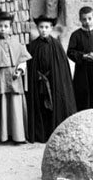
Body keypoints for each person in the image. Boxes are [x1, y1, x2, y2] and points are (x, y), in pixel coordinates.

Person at [0, 11, 31, 144]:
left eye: (5, 26)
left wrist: (20, 70)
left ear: (10, 27)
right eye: (0, 26)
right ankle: (0, 135)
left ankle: (17, 135)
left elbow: (23, 60)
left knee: (15, 105)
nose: (3, 29)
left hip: (15, 78)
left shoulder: (17, 42)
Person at [26, 15, 76, 143]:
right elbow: (30, 66)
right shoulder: (32, 46)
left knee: (53, 105)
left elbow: (62, 68)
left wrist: (55, 79)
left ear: (51, 28)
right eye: (41, 27)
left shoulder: (57, 45)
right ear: (37, 28)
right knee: (40, 107)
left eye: (46, 27)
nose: (43, 30)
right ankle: (41, 134)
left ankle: (54, 132)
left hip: (53, 81)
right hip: (38, 82)